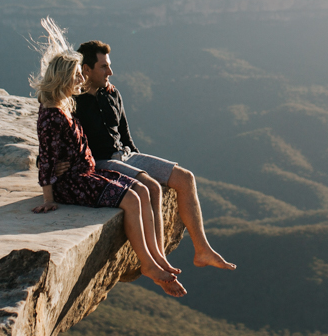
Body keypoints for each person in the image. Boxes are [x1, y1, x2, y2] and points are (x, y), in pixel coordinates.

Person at [29, 19, 186, 297]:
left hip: (85, 172)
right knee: (130, 198)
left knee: (139, 190)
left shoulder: (66, 104)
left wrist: (107, 91)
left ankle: (157, 257)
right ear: (66, 78)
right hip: (73, 183)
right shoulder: (52, 114)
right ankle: (149, 264)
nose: (81, 78)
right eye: (78, 75)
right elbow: (45, 158)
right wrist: (49, 199)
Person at [74, 38, 236, 271]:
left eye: (109, 65)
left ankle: (202, 249)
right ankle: (159, 259)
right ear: (86, 70)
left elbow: (125, 133)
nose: (111, 71)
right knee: (152, 187)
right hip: (101, 162)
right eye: (104, 67)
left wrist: (141, 162)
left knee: (185, 178)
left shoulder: (111, 93)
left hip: (126, 155)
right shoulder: (74, 101)